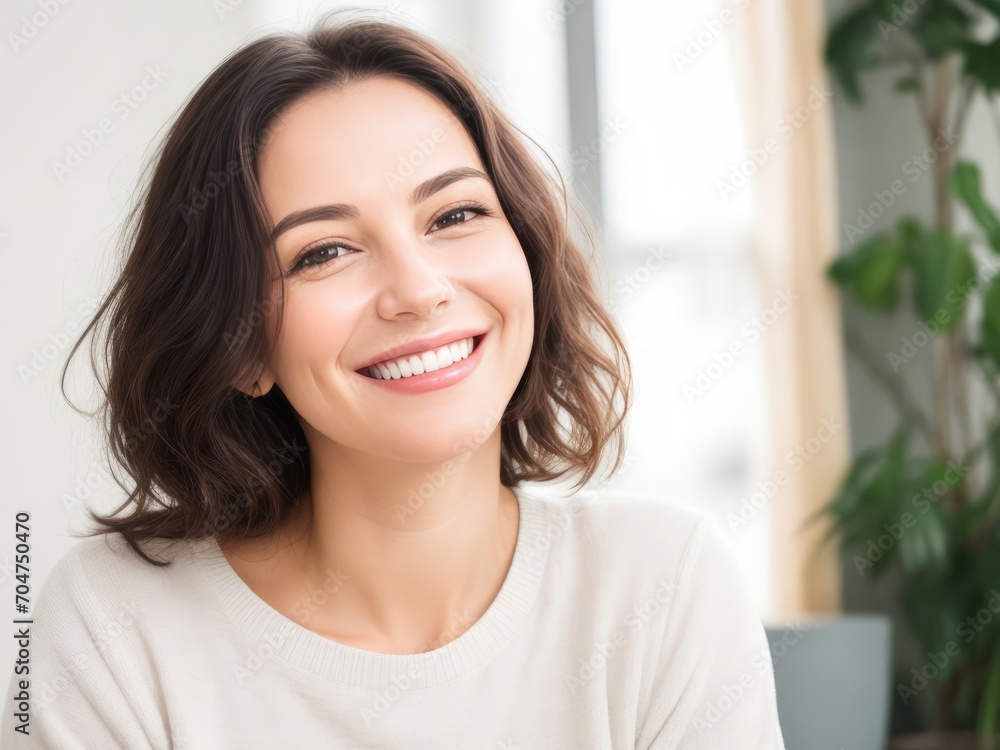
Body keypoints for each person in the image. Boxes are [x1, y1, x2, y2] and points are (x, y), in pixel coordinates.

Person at [1, 10, 786, 749]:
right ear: (241, 346)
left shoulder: (664, 587)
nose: (417, 290)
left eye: (454, 216)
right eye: (324, 252)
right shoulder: (113, 627)